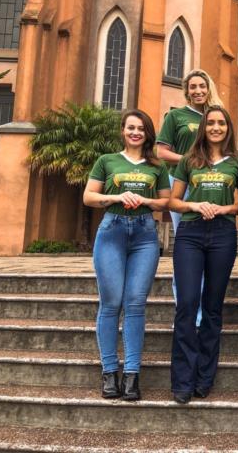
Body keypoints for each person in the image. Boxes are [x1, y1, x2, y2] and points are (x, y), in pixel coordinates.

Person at [84, 110, 171, 401]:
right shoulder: (107, 160)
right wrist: (116, 197)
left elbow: (165, 201)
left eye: (141, 128)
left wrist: (145, 200)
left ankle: (132, 375)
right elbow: (89, 196)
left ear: (147, 133)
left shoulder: (156, 165)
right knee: (110, 303)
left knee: (135, 303)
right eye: (130, 128)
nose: (136, 132)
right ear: (123, 130)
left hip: (145, 234)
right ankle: (110, 373)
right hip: (112, 231)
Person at [169, 106, 238, 404]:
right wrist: (195, 206)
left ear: (228, 128)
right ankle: (182, 380)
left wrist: (224, 209)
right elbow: (173, 201)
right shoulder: (190, 161)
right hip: (190, 233)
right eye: (210, 123)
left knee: (213, 307)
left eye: (221, 123)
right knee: (187, 304)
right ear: (203, 127)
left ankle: (205, 377)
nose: (216, 127)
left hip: (223, 234)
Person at [157, 69, 223, 326]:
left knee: (210, 247)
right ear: (186, 91)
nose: (198, 91)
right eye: (193, 87)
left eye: (202, 86)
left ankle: (207, 310)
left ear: (209, 88)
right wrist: (191, 161)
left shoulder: (215, 116)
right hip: (181, 185)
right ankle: (187, 311)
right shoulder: (176, 116)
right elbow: (162, 152)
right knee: (186, 245)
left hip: (211, 184)